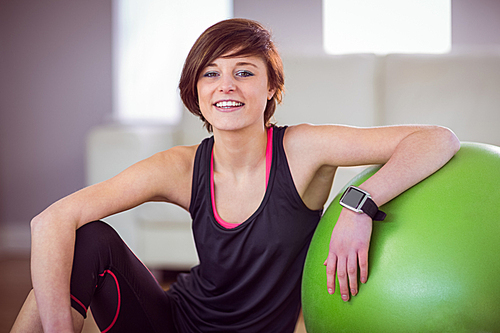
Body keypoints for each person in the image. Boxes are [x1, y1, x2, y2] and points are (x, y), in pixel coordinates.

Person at [11, 18, 460, 333]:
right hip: (177, 322)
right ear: (197, 92)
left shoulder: (302, 149)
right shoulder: (182, 166)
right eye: (211, 73)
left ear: (270, 89)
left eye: (244, 72)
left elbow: (437, 138)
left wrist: (360, 203)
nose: (226, 85)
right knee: (87, 239)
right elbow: (49, 221)